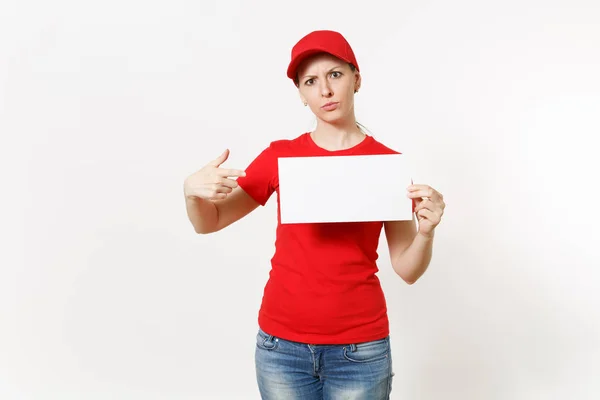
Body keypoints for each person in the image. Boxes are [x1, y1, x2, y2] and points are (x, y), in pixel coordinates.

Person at [183, 30, 446, 400]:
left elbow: (407, 269)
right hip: (281, 348)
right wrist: (191, 193)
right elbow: (209, 222)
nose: (325, 90)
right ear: (302, 95)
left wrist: (427, 232)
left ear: (357, 79)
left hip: (360, 349)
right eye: (311, 81)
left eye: (335, 75)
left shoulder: (386, 165)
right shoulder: (281, 156)